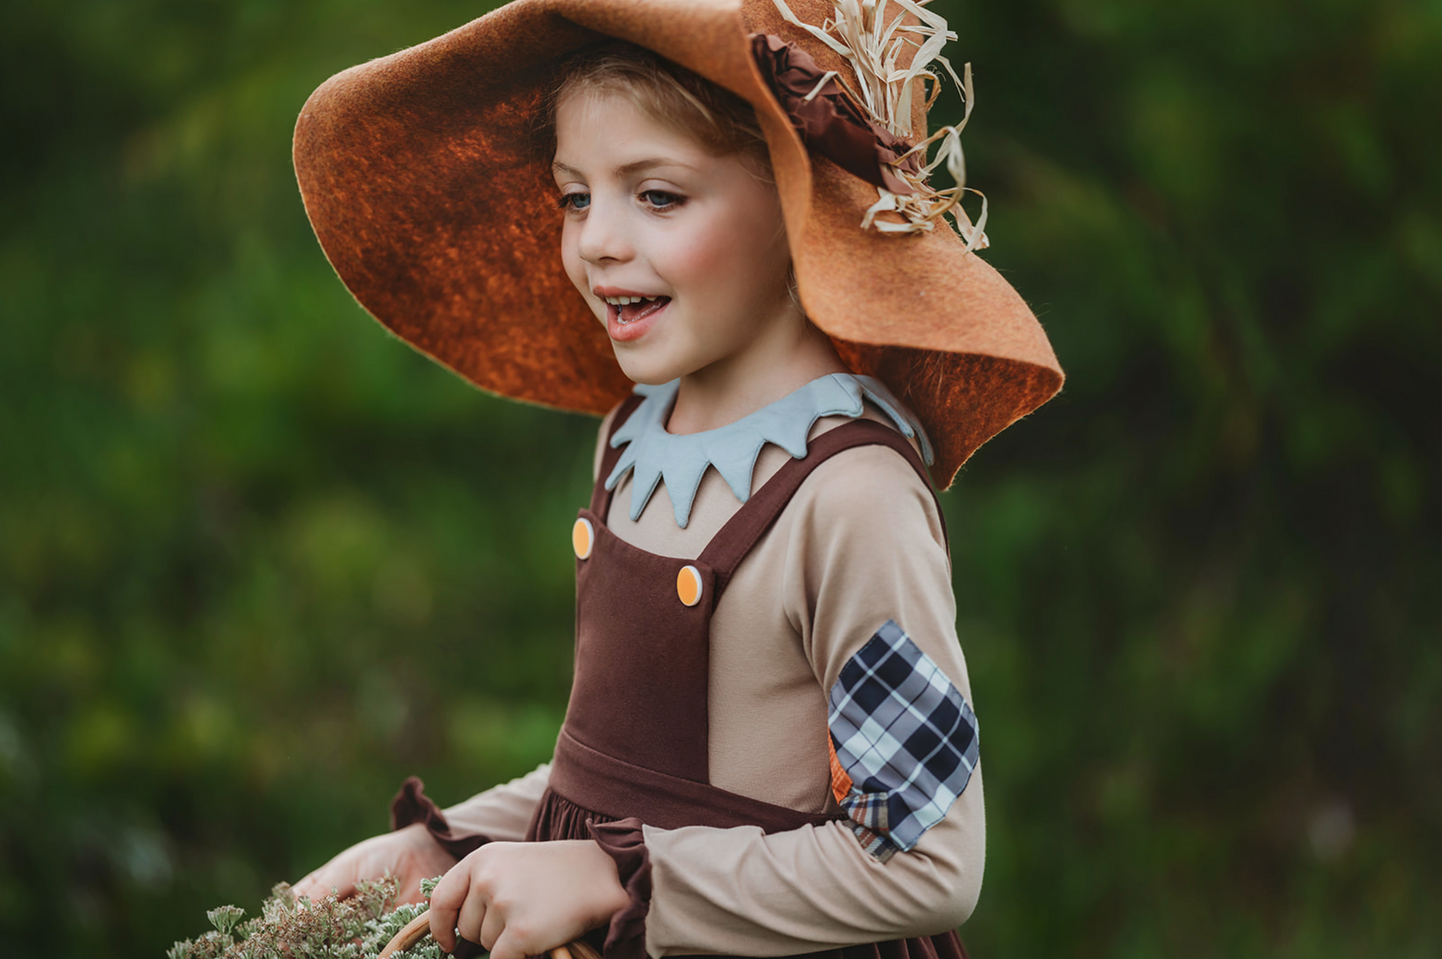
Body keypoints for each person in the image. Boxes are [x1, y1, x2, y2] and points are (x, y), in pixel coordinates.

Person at [289, 2, 1063, 959]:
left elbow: (925, 861)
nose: (596, 240)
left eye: (656, 196)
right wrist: (443, 845)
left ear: (799, 206)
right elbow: (614, 785)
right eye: (576, 196)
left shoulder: (851, 497)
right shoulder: (631, 439)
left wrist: (621, 880)